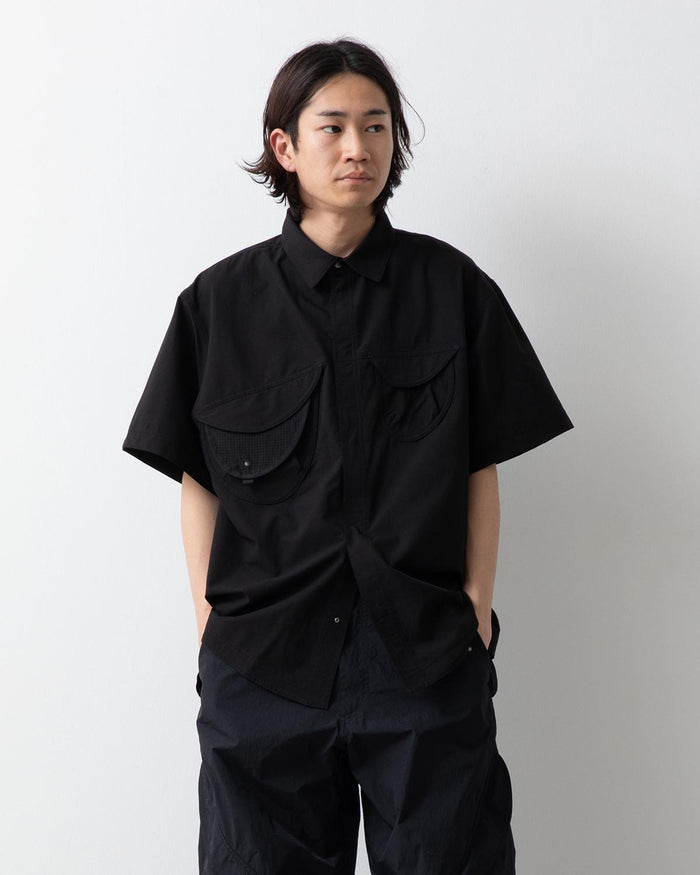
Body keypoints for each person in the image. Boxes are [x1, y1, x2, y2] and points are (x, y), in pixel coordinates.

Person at [122, 37, 573, 875]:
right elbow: (198, 478)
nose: (357, 147)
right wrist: (211, 627)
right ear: (285, 147)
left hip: (425, 660)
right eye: (331, 127)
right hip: (263, 667)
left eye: (376, 126)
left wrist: (475, 609)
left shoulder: (454, 289)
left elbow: (480, 465)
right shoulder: (218, 304)